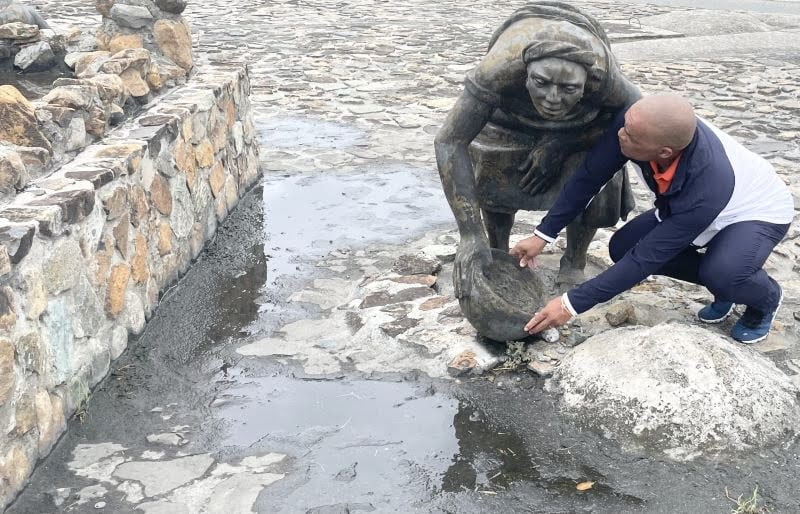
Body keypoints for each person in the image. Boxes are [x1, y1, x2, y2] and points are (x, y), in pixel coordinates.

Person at [511, 94, 795, 343]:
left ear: (664, 153)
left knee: (722, 273)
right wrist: (543, 234)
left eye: (630, 136)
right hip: (686, 207)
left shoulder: (708, 183)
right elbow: (589, 177)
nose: (620, 134)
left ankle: (763, 298)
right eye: (624, 126)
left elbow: (646, 259)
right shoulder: (635, 123)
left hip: (755, 211)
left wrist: (570, 305)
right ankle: (729, 284)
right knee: (621, 248)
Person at [435, 2, 639, 309]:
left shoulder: (605, 77)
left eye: (568, 88)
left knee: (597, 168)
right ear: (526, 74)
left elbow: (636, 120)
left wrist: (562, 145)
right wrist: (469, 234)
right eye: (542, 83)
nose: (553, 99)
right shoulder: (498, 69)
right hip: (508, 118)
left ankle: (575, 258)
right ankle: (495, 250)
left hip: (580, 125)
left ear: (587, 84)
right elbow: (450, 140)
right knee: (492, 164)